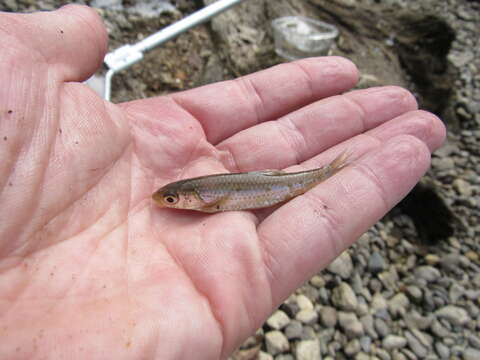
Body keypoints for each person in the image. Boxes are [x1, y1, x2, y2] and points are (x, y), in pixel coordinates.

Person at [0, 5, 445, 359]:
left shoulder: (210, 199)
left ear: (194, 198)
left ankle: (333, 169)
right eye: (174, 198)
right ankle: (331, 169)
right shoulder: (202, 198)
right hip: (279, 182)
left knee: (332, 172)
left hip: (284, 181)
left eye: (175, 198)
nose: (172, 202)